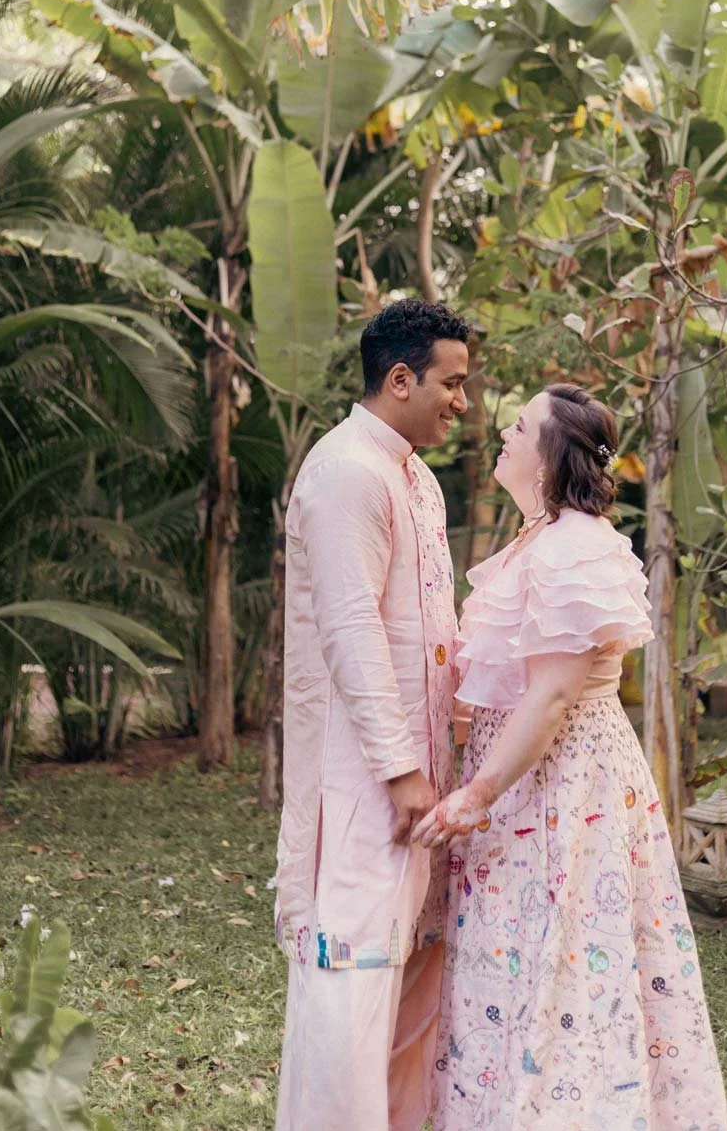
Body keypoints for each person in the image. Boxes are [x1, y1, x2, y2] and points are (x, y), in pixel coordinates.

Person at [413, 383, 727, 1130]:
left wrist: (476, 792)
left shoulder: (571, 549)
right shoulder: (538, 540)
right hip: (525, 785)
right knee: (519, 964)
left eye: (519, 425)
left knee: (562, 964)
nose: (502, 431)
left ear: (551, 455)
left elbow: (551, 697)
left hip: (559, 786)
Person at [273, 298, 471, 1131]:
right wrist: (400, 770)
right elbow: (353, 629)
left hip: (424, 775)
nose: (463, 401)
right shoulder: (347, 468)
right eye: (451, 383)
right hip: (365, 781)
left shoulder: (412, 473)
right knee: (350, 988)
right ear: (400, 379)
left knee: (414, 985)